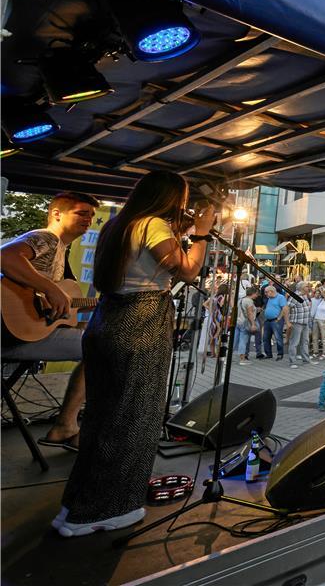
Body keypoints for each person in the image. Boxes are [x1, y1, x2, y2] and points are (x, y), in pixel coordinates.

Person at [57, 172, 214, 537]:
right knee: (134, 415)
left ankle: (75, 506)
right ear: (168, 197)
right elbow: (188, 271)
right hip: (141, 322)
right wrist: (202, 233)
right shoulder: (153, 225)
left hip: (108, 319)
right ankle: (102, 511)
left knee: (101, 415)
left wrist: (180, 231)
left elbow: (147, 263)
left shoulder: (119, 225)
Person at [1, 191, 98, 453]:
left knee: (95, 339)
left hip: (24, 335)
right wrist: (50, 289)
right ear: (56, 214)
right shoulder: (46, 238)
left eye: (91, 215)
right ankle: (69, 425)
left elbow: (57, 308)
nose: (88, 219)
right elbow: (5, 256)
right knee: (103, 348)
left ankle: (67, 425)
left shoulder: (61, 252)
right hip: (10, 336)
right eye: (81, 213)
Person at [285, 282, 312, 368]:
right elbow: (286, 308)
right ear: (301, 288)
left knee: (305, 342)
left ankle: (306, 360)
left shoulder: (305, 295)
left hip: (305, 322)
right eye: (307, 286)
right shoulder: (295, 296)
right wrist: (288, 322)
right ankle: (292, 362)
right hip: (297, 323)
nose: (309, 287)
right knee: (294, 342)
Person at [235, 285, 259, 365]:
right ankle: (242, 359)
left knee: (235, 340)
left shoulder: (241, 300)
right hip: (245, 323)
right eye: (256, 294)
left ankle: (227, 357)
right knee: (243, 340)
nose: (257, 295)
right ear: (253, 293)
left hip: (238, 321)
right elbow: (250, 313)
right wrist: (253, 324)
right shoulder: (249, 301)